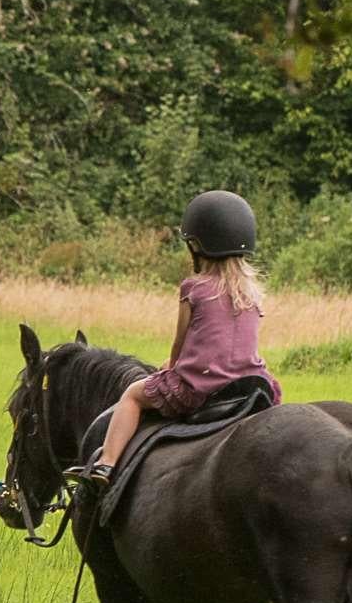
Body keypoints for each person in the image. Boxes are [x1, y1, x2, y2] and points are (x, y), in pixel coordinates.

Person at [65, 189, 280, 488]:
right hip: (252, 385)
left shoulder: (194, 288)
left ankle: (106, 464)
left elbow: (181, 342)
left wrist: (171, 367)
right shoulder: (253, 293)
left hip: (201, 388)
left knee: (131, 396)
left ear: (196, 245)